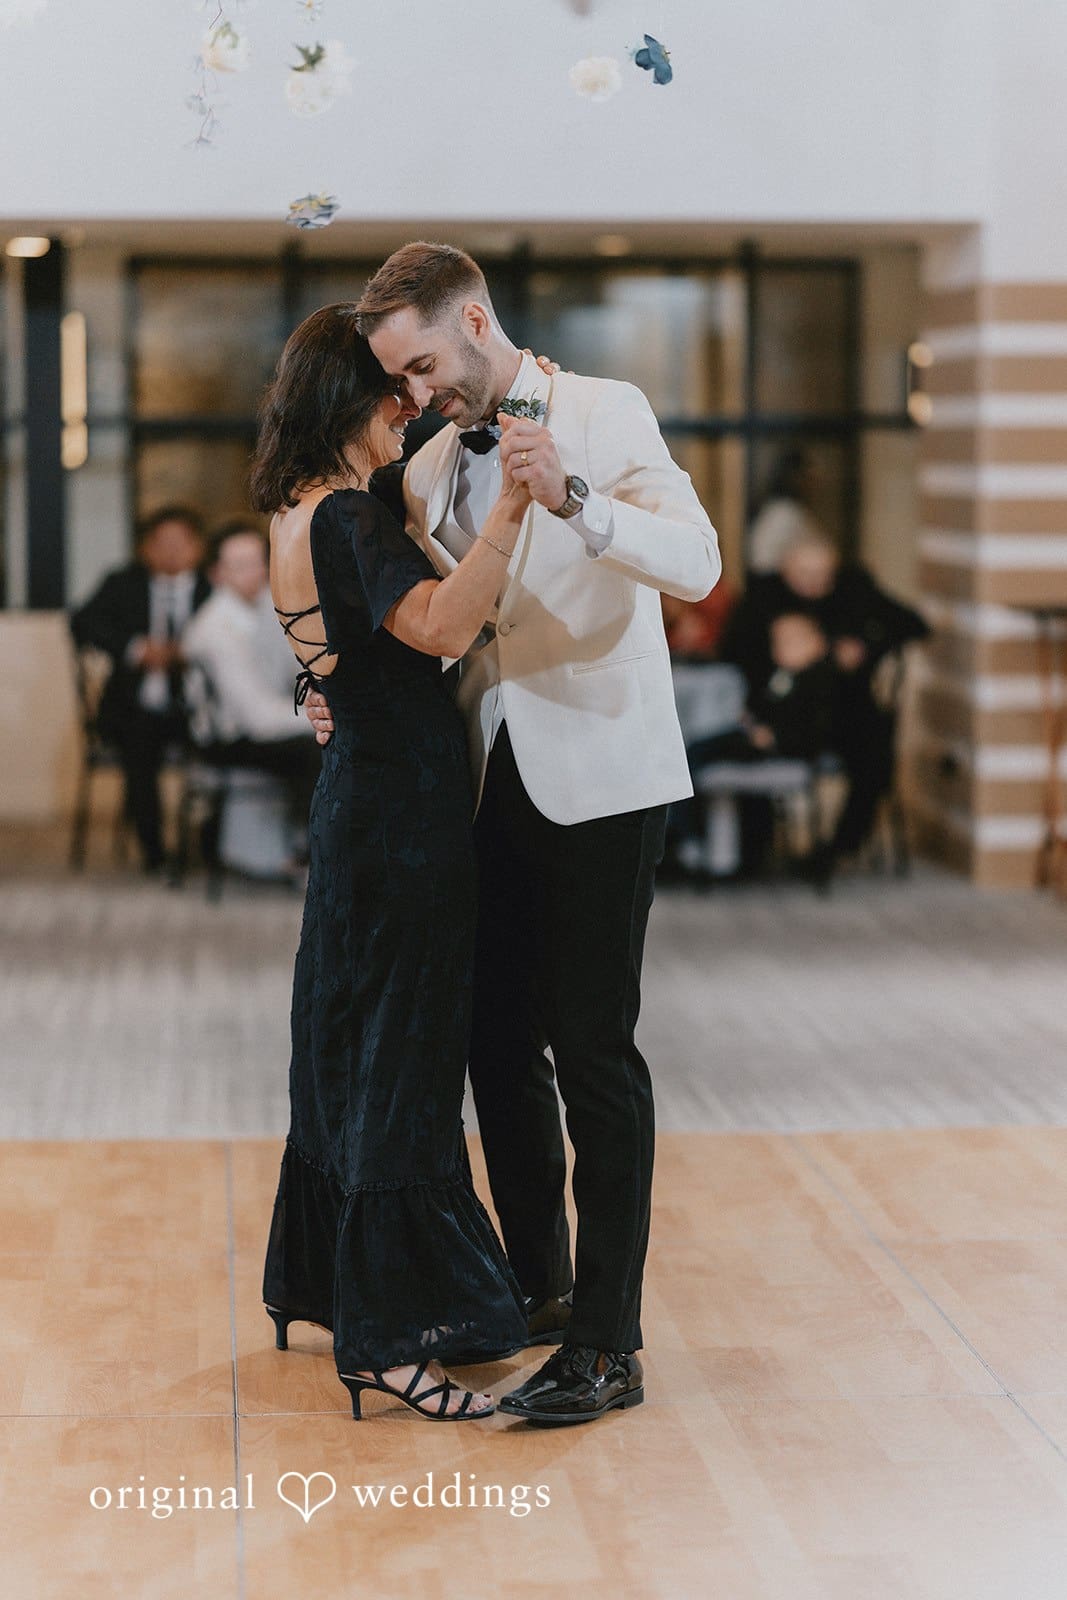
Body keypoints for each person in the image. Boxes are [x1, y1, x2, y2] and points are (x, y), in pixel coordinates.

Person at [303, 241, 721, 1426]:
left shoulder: (603, 410)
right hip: (484, 781)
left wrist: (577, 501)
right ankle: (534, 1289)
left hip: (601, 775)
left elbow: (697, 561)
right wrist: (320, 689)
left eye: (426, 365)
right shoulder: (430, 460)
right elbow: (385, 601)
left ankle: (608, 1339)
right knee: (492, 1044)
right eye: (401, 379)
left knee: (593, 1049)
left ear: (475, 321)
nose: (418, 396)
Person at [251, 304, 530, 1423]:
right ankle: (393, 1338)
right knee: (404, 1057)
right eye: (390, 393)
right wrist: (513, 503)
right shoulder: (349, 521)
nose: (408, 404)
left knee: (344, 1036)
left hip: (355, 799)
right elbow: (443, 627)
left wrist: (318, 695)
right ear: (345, 405)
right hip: (401, 816)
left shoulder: (293, 510)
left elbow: (331, 657)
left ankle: (325, 1288)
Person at [722, 533, 929, 859]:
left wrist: (864, 647)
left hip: (843, 706)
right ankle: (752, 848)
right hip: (780, 707)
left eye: (822, 577)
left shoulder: (852, 589)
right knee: (741, 741)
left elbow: (914, 625)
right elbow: (733, 653)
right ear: (785, 569)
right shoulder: (765, 595)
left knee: (876, 745)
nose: (813, 585)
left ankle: (841, 846)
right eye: (803, 575)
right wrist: (780, 651)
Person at [70, 506, 210, 871]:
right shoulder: (123, 583)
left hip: (196, 709)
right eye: (161, 542)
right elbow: (82, 622)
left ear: (198, 548)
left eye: (181, 542)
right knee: (139, 743)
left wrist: (187, 651)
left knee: (220, 745)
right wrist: (136, 649)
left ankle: (210, 847)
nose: (171, 551)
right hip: (133, 709)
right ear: (145, 549)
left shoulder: (212, 588)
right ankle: (154, 852)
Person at [664, 612, 836, 881]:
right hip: (758, 739)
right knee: (697, 751)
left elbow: (812, 730)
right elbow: (766, 709)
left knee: (699, 753)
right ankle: (686, 832)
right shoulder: (781, 676)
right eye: (777, 642)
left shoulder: (819, 681)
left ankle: (686, 834)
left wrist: (773, 736)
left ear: (817, 643)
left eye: (791, 641)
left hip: (783, 749)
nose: (781, 648)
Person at [181, 518, 321, 842]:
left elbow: (297, 669)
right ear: (217, 574)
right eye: (241, 565)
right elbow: (256, 718)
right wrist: (320, 719)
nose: (256, 572)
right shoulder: (215, 629)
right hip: (227, 738)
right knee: (318, 747)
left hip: (260, 724)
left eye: (259, 561)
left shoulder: (265, 608)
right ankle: (307, 850)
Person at [747, 447, 827, 576]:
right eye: (808, 478)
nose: (813, 486)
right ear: (794, 478)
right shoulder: (782, 512)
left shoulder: (792, 510)